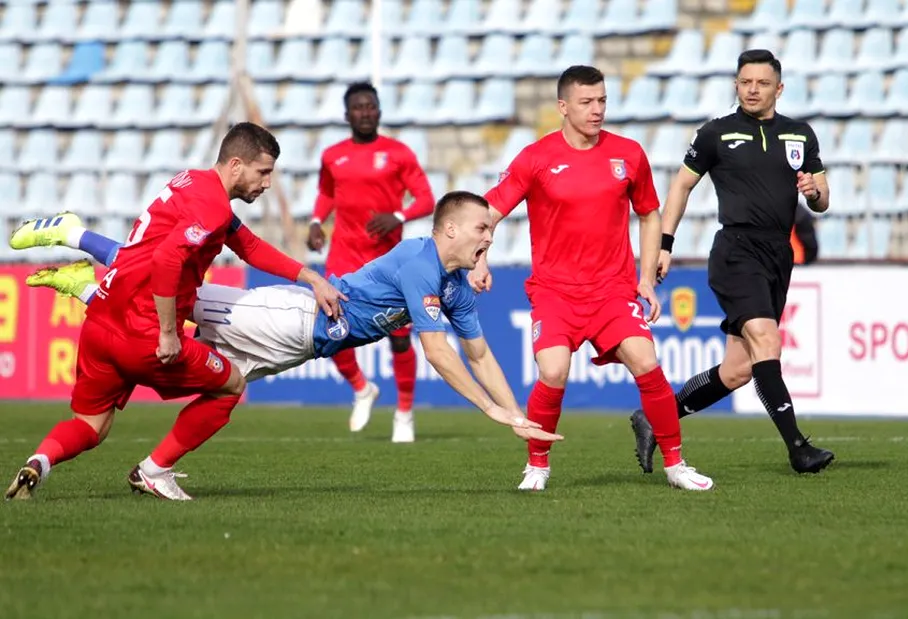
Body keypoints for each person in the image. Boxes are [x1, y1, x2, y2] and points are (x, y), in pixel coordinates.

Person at [10, 193, 561, 495]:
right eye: (483, 230)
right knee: (180, 292)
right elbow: (439, 353)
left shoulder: (456, 285)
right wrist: (492, 409)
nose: (491, 238)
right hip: (294, 317)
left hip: (302, 346)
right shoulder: (422, 262)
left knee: (224, 382)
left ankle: (149, 466)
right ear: (450, 231)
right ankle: (76, 239)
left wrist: (515, 415)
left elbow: (480, 355)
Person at [4, 122, 346, 501]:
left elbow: (247, 245)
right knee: (231, 385)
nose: (267, 183)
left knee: (91, 425)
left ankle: (39, 462)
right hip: (143, 333)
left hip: (100, 319)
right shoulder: (212, 208)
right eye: (263, 172)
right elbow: (168, 259)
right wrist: (169, 332)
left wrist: (309, 276)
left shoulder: (191, 182)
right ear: (236, 165)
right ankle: (154, 471)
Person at [472, 65, 714, 492]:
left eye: (602, 100)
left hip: (611, 291)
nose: (597, 109)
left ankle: (676, 465)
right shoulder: (536, 157)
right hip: (555, 292)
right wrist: (478, 259)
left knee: (646, 360)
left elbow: (649, 212)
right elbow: (489, 213)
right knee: (554, 370)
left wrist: (644, 279)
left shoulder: (629, 154)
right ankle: (537, 465)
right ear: (563, 107)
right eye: (586, 102)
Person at [629, 50, 836, 475]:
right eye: (745, 82)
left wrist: (813, 191)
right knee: (766, 338)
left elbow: (823, 200)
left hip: (778, 254)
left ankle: (655, 416)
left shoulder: (800, 135)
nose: (752, 89)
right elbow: (681, 187)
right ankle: (798, 448)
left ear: (779, 88)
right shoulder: (715, 134)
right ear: (736, 85)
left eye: (762, 83)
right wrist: (665, 244)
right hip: (736, 251)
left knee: (739, 370)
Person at [308, 81, 435, 442]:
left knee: (398, 339)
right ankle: (362, 388)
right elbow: (326, 193)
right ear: (347, 114)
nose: (365, 112)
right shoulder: (333, 155)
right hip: (344, 255)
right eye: (358, 107)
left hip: (387, 260)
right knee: (330, 329)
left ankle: (405, 414)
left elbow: (426, 198)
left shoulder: (398, 153)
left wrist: (399, 215)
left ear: (379, 110)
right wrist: (317, 222)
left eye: (371, 106)